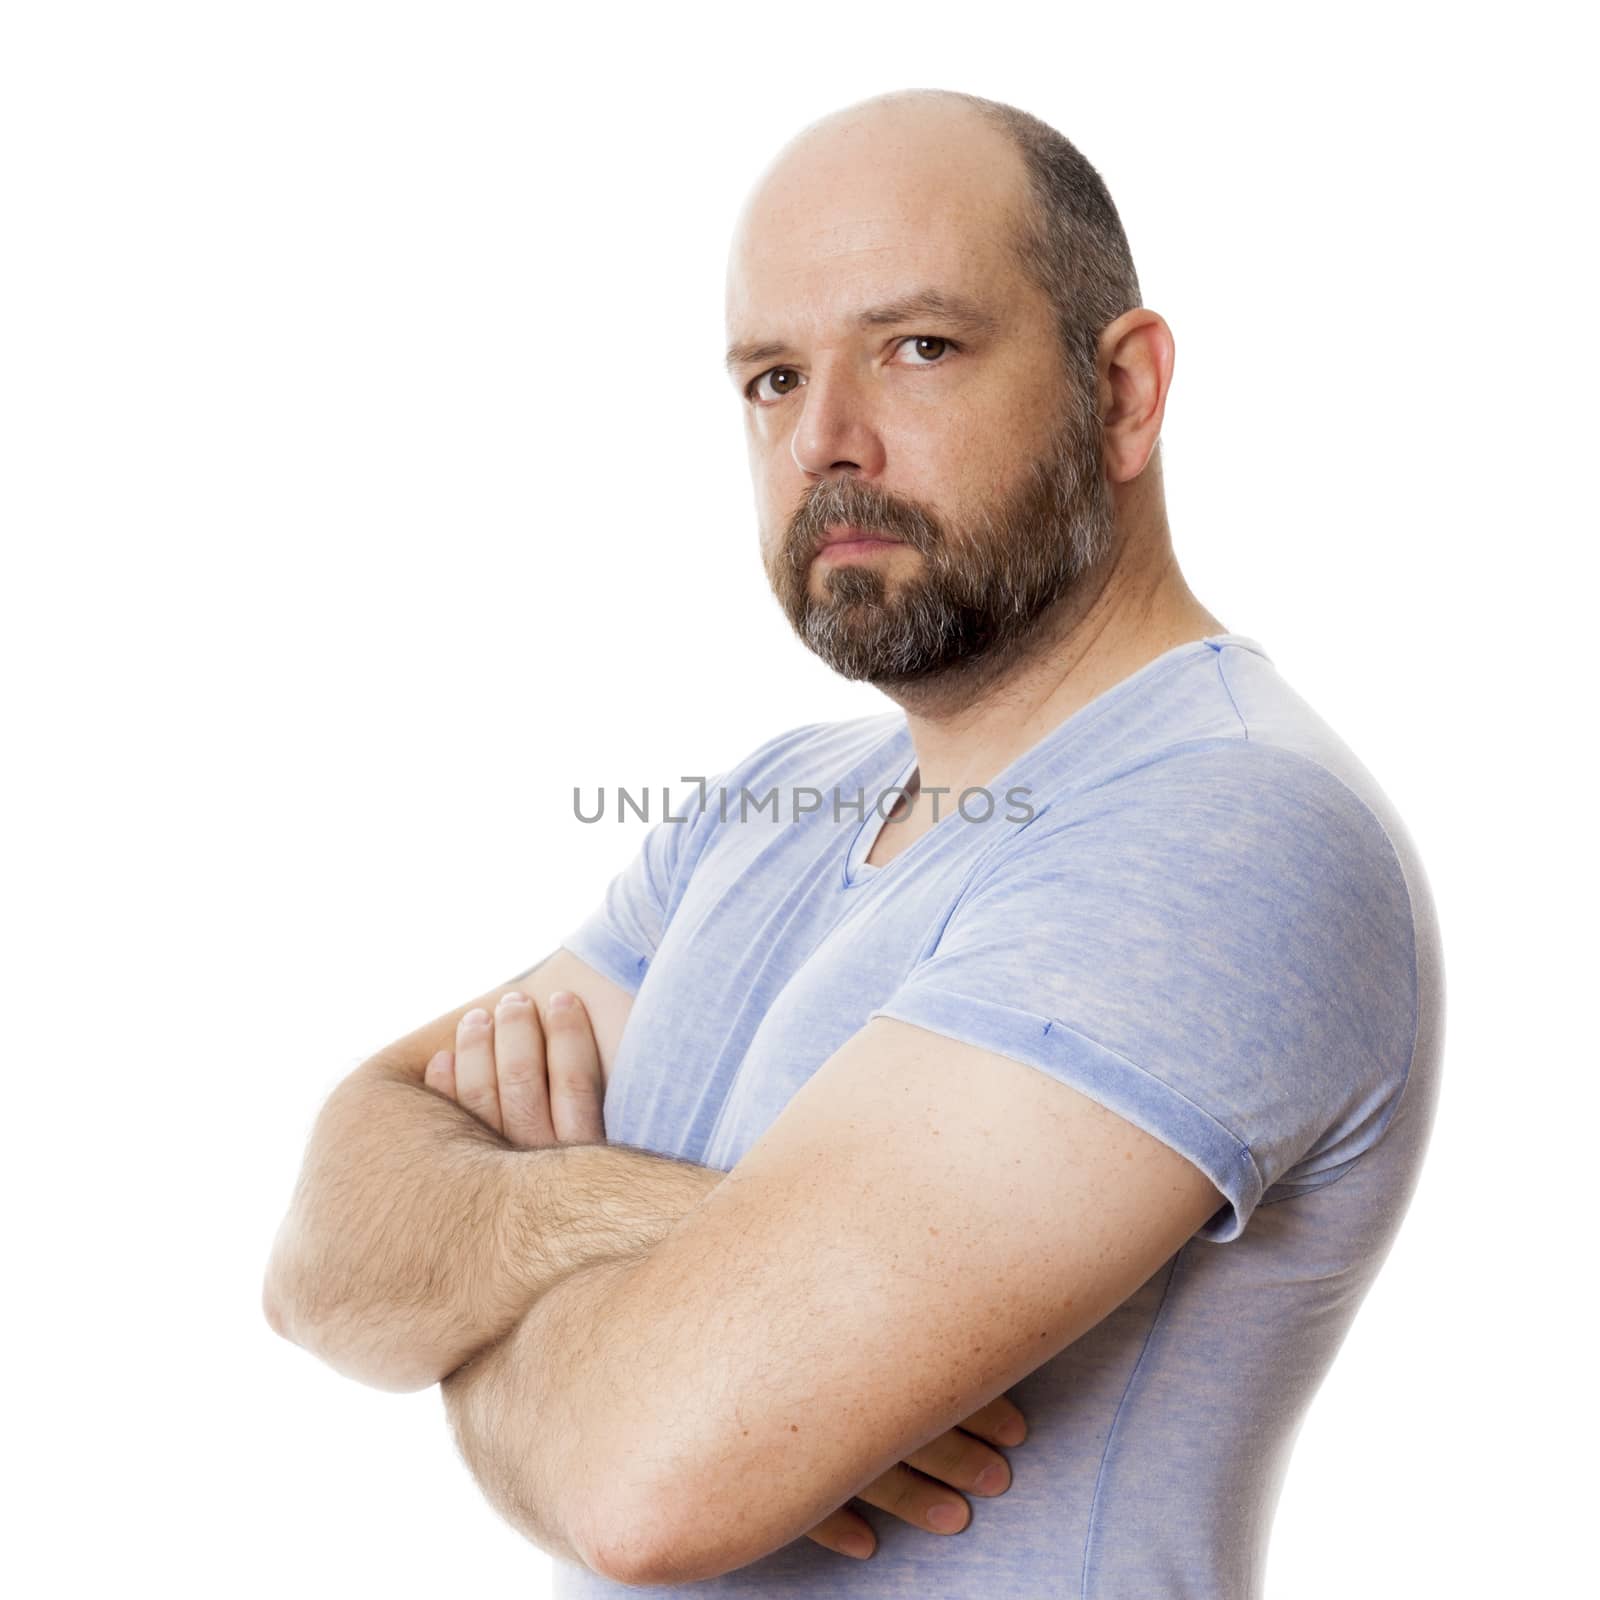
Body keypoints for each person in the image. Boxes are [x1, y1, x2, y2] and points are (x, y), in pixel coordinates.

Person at [263, 86, 1443, 1598]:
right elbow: (321, 1256)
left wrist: (484, 1304)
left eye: (919, 348)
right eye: (770, 376)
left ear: (1127, 393)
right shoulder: (764, 809)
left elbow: (643, 1483)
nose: (825, 439)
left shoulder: (1227, 822)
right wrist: (654, 1238)